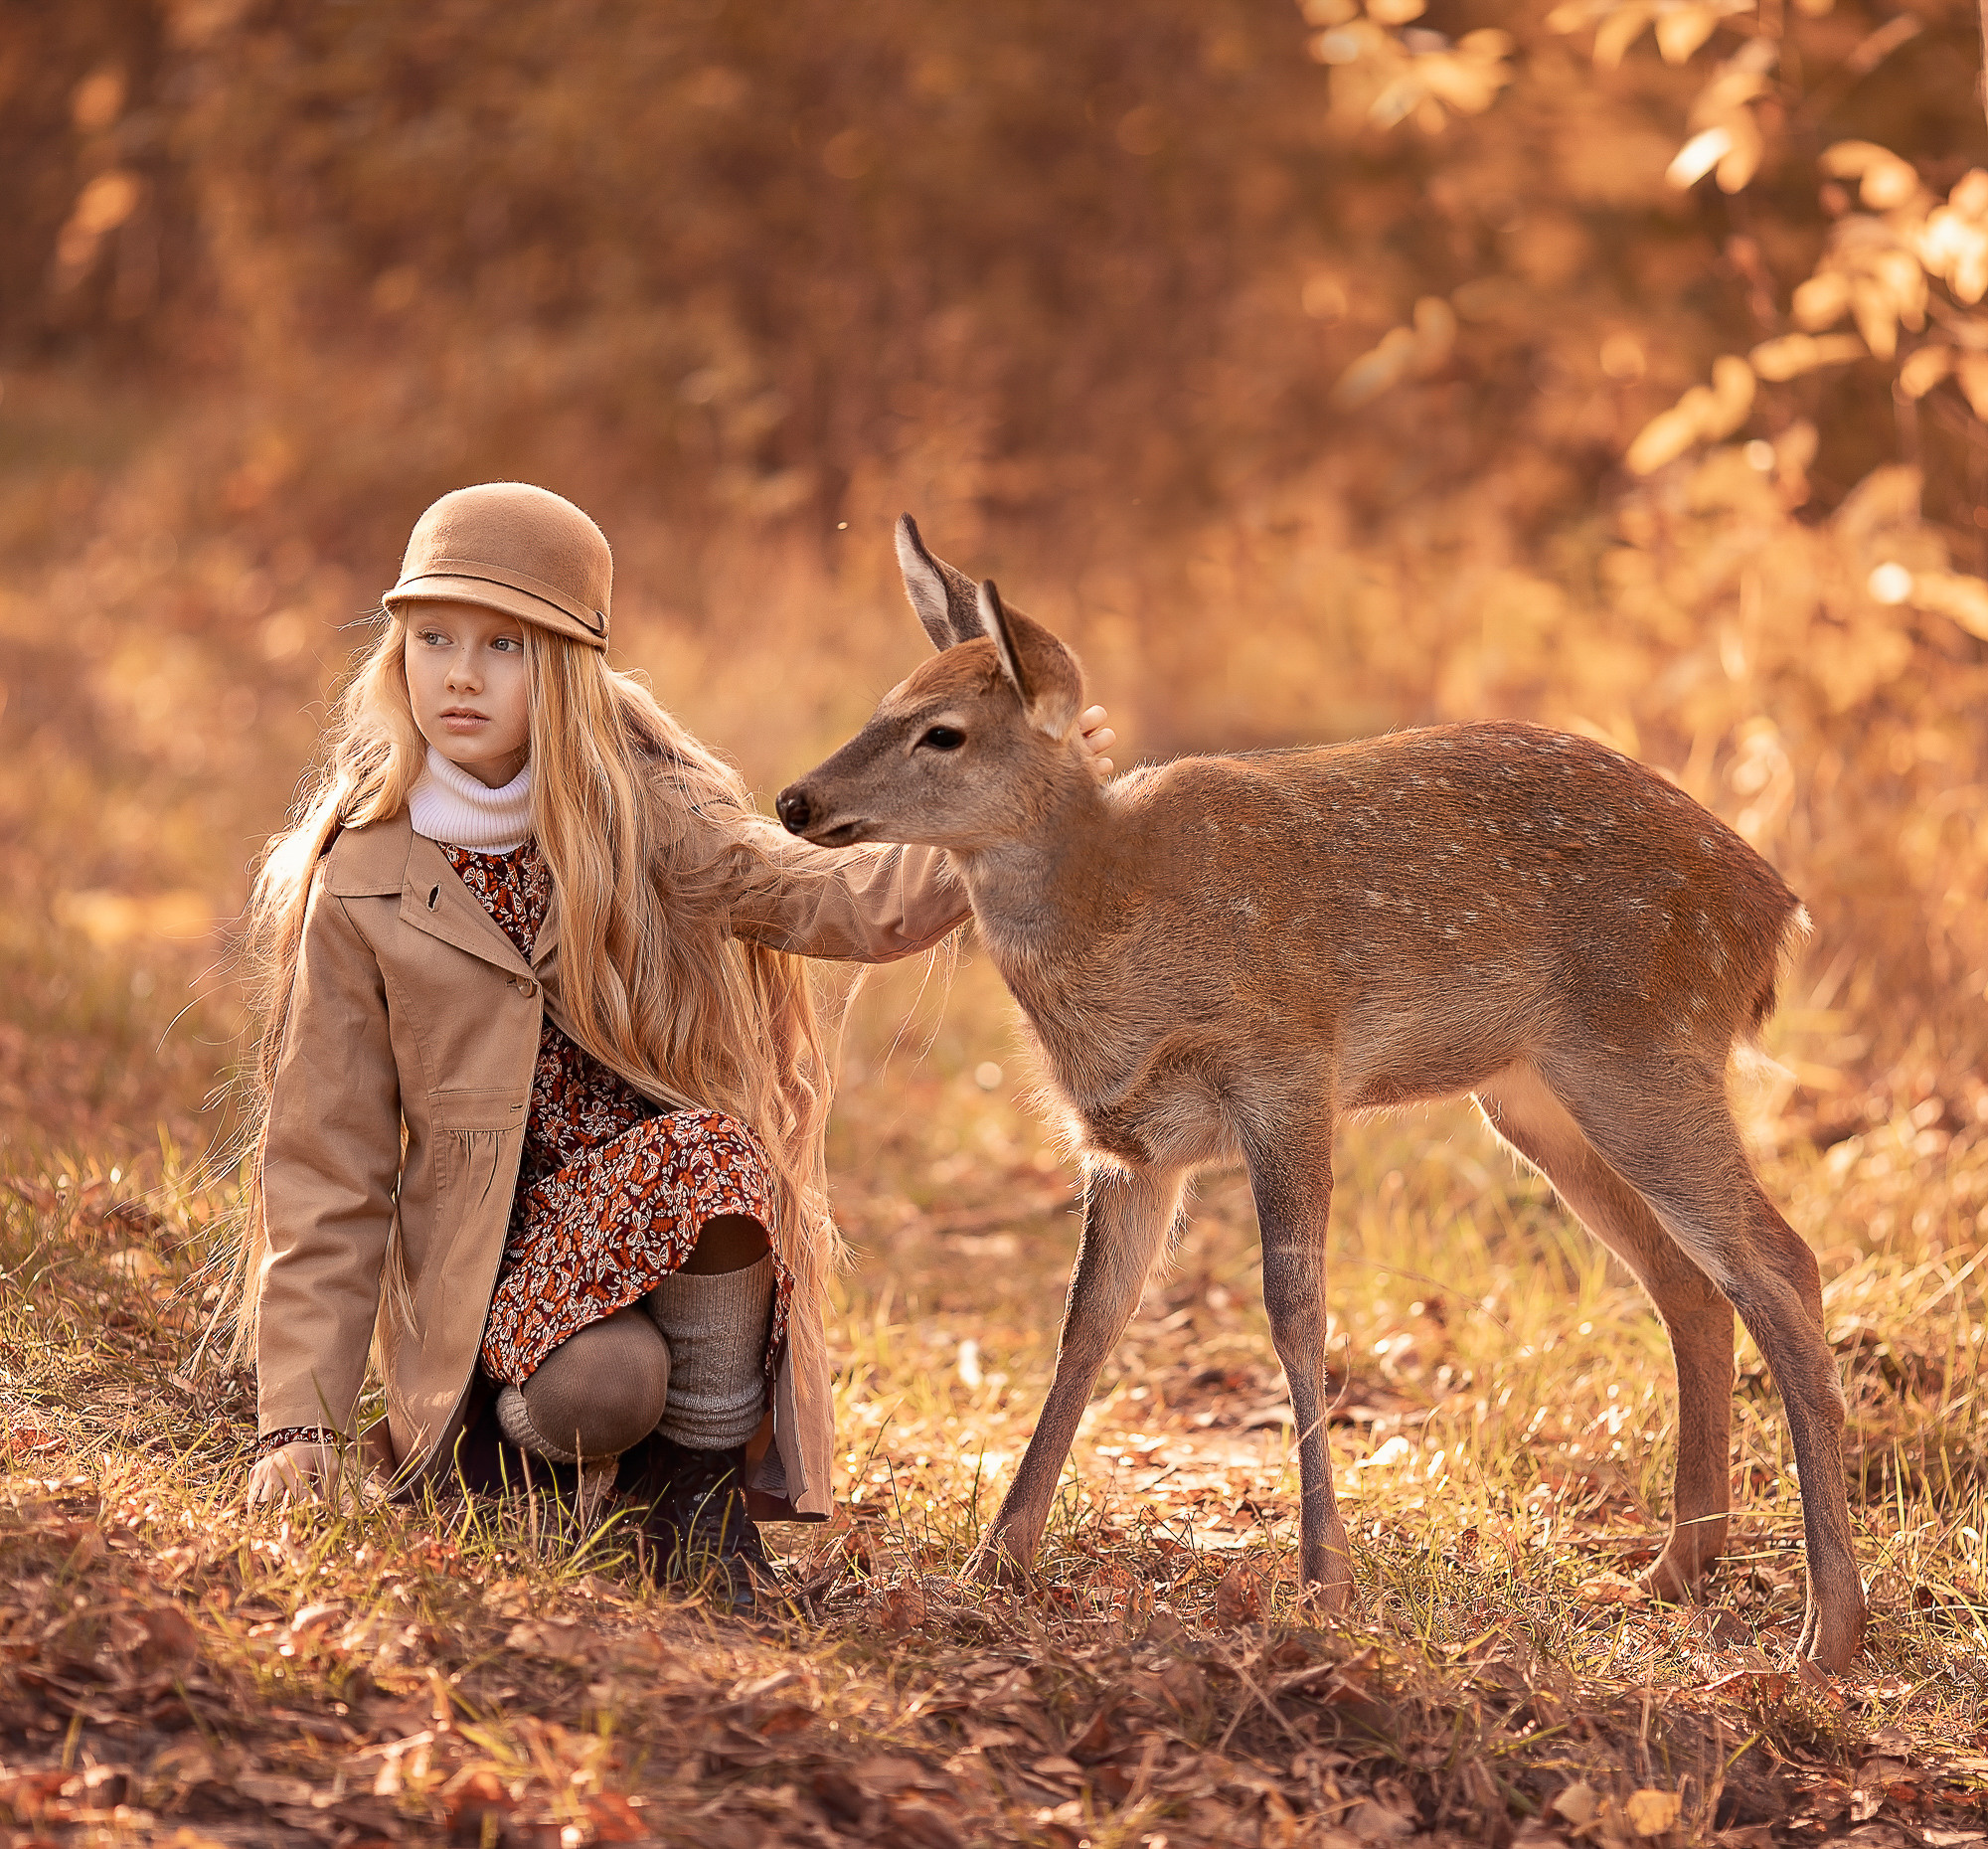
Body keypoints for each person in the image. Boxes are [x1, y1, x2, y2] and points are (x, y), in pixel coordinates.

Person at [231, 483, 1115, 1602]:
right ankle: (512, 1455)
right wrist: (296, 1425)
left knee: (703, 1155)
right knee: (603, 1385)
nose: (460, 674)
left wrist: (1023, 799)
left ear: (564, 663)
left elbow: (827, 898)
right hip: (490, 1278)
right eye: (433, 638)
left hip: (672, 1232)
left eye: (504, 645)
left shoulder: (647, 812)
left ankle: (692, 1510)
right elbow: (328, 1165)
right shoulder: (363, 876)